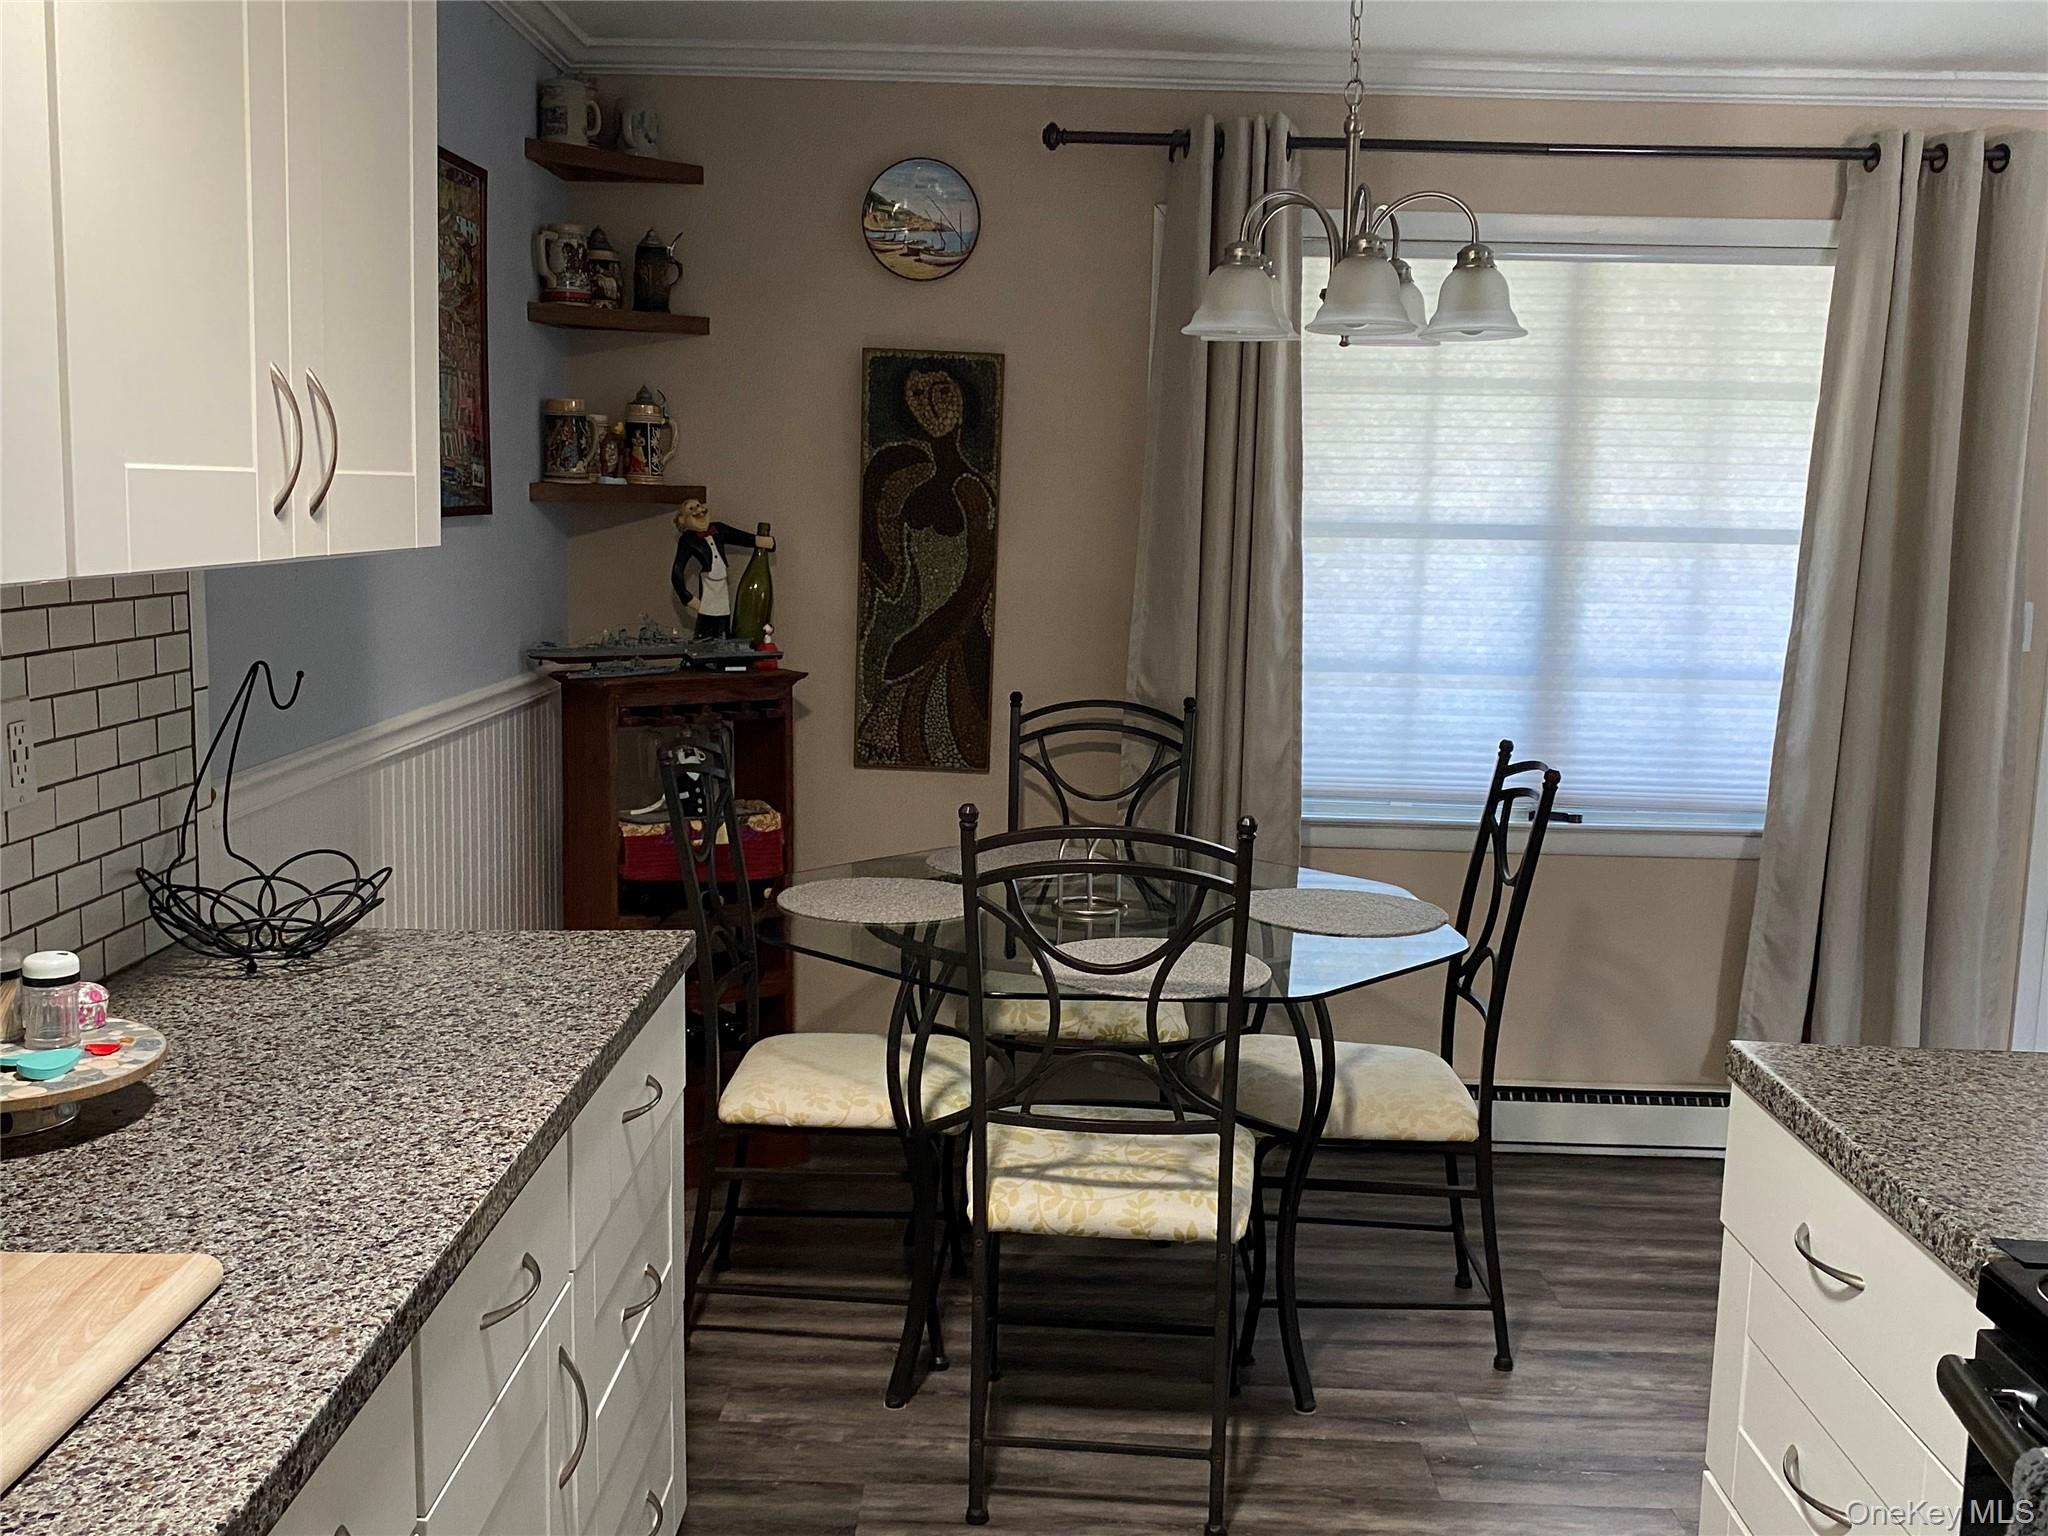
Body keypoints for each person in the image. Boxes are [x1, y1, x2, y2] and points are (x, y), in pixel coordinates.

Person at [671, 498, 774, 640]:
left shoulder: (718, 529)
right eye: (691, 509)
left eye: (699, 506)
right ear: (683, 519)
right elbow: (677, 571)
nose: (698, 511)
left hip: (722, 584)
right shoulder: (688, 540)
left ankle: (723, 644)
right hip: (708, 583)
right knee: (707, 622)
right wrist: (689, 599)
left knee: (723, 617)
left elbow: (739, 537)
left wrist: (759, 541)